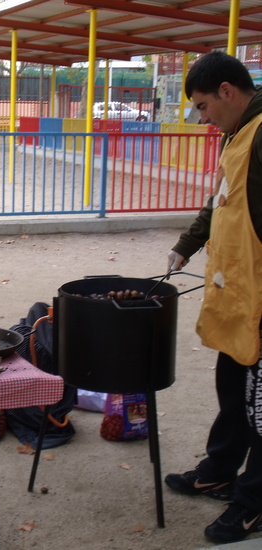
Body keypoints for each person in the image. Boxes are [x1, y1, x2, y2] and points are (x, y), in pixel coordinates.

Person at [164, 51, 262, 544]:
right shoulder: (235, 134)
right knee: (232, 389)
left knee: (261, 405)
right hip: (236, 292)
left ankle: (254, 504)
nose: (203, 118)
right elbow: (220, 201)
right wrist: (186, 246)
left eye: (204, 106)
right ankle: (221, 469)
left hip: (261, 297)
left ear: (227, 91)